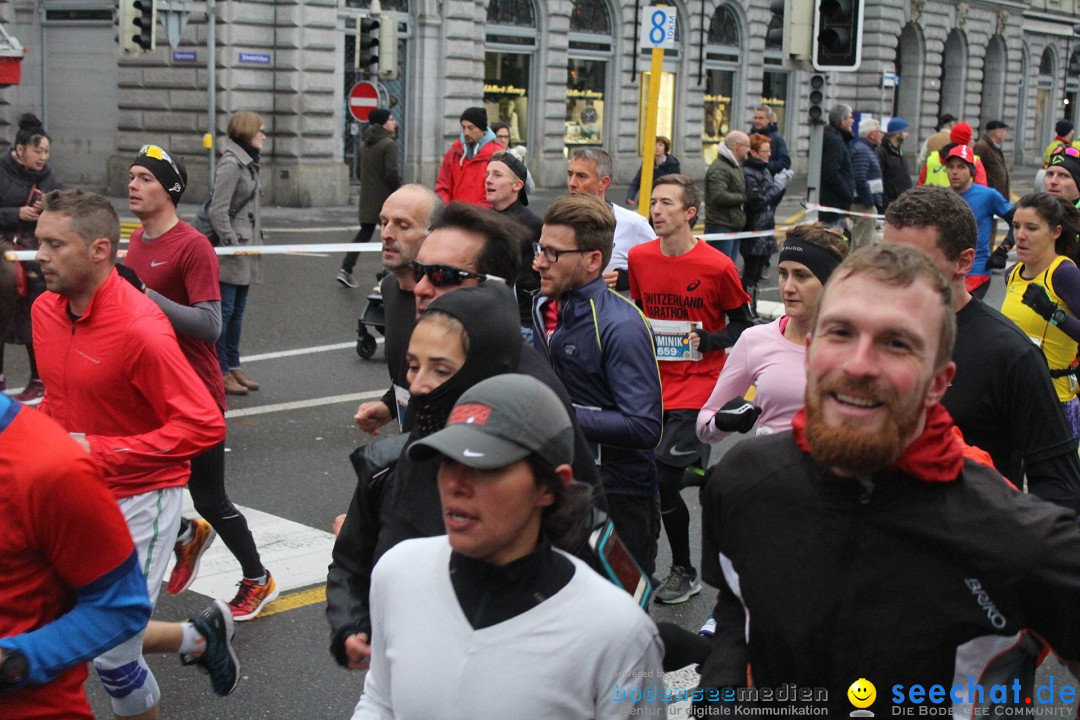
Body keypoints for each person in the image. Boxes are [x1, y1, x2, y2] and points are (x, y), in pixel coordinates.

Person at [697, 243, 1080, 716]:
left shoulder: (1018, 538)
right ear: (812, 351)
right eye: (840, 333)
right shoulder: (742, 480)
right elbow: (738, 613)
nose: (858, 364)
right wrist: (717, 699)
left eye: (897, 343)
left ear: (940, 381)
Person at [351, 374, 664, 719]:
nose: (456, 483)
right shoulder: (397, 572)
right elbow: (380, 700)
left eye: (485, 466)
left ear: (549, 487)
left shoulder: (620, 632)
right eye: (449, 460)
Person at [31, 189, 235, 716]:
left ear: (101, 250)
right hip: (74, 492)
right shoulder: (43, 313)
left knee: (111, 655)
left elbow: (203, 424)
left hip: (139, 497)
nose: (41, 256)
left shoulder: (141, 327)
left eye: (56, 245)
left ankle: (177, 535)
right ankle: (197, 635)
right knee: (45, 615)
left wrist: (99, 451)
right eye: (39, 243)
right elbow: (60, 400)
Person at [122, 143, 276, 620]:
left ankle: (258, 578)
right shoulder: (137, 241)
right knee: (136, 481)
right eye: (131, 177)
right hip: (151, 388)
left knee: (209, 495)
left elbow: (210, 326)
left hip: (194, 391)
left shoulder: (192, 246)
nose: (133, 185)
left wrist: (145, 295)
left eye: (145, 179)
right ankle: (186, 533)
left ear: (169, 190)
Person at [0, 249, 151, 720]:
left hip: (32, 707)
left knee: (123, 667)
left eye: (57, 243)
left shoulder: (46, 467)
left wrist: (18, 660)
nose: (45, 254)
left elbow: (122, 608)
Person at [884, 186, 1080, 511]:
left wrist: (997, 537)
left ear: (964, 262)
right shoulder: (874, 338)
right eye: (887, 258)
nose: (892, 274)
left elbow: (1061, 488)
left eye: (912, 262)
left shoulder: (1010, 354)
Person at [628, 174, 751, 604]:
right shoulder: (640, 258)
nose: (656, 211)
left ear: (690, 213)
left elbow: (742, 326)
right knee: (643, 479)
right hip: (650, 388)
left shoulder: (717, 266)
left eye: (666, 203)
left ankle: (684, 569)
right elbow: (640, 312)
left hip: (700, 389)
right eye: (654, 203)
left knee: (661, 480)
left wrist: (708, 339)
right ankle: (707, 479)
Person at [532, 194, 663, 575]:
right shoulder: (543, 307)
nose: (540, 262)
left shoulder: (621, 326)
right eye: (540, 248)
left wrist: (558, 414)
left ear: (593, 260)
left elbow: (645, 426)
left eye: (553, 254)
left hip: (619, 496)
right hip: (560, 486)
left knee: (622, 616)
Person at [697, 223, 847, 443]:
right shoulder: (755, 340)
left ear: (831, 281)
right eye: (783, 273)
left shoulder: (857, 347)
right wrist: (721, 422)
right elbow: (705, 425)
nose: (787, 287)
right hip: (770, 472)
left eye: (801, 276)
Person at [353, 184, 443, 436]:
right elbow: (408, 376)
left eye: (403, 226)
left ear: (434, 234)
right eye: (384, 222)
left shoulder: (451, 298)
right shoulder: (390, 287)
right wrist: (389, 405)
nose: (386, 234)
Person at [1002, 193, 1080, 435]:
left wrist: (1054, 314)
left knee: (1057, 475)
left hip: (1055, 401)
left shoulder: (1064, 274)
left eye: (1032, 228)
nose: (1021, 236)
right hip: (1015, 397)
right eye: (1016, 226)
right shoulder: (1012, 274)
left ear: (1056, 232)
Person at [0, 113, 61, 402]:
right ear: (20, 150)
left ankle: (39, 377)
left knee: (40, 305)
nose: (43, 157)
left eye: (47, 152)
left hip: (35, 245)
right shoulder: (1, 169)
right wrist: (16, 214)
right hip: (4, 243)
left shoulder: (49, 177)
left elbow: (63, 208)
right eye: (38, 151)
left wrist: (46, 210)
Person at [210, 111, 265, 397]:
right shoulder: (231, 163)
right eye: (260, 131)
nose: (263, 136)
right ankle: (219, 371)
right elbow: (217, 209)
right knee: (226, 313)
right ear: (246, 132)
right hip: (233, 251)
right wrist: (231, 241)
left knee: (238, 313)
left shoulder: (248, 163)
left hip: (246, 249)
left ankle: (233, 365)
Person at [566, 147, 654, 291]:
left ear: (604, 182)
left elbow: (660, 269)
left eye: (582, 176)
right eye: (570, 174)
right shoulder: (559, 222)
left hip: (616, 312)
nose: (572, 183)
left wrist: (627, 279)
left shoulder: (633, 224)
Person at [337, 108, 400, 289]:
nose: (394, 122)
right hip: (386, 201)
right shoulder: (389, 144)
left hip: (367, 199)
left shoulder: (365, 144)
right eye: (390, 119)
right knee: (393, 238)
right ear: (382, 123)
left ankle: (345, 269)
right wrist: (399, 190)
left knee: (363, 235)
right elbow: (392, 172)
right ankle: (386, 275)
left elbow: (358, 171)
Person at [944, 144, 1012, 299]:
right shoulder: (941, 195)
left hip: (976, 271)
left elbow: (1016, 221)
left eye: (961, 167)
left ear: (971, 171)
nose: (954, 172)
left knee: (961, 318)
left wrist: (1003, 249)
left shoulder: (989, 196)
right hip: (946, 270)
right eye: (951, 167)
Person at [485, 151, 542, 331]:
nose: (488, 180)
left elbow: (541, 274)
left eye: (497, 175)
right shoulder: (482, 220)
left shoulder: (533, 224)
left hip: (521, 322)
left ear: (517, 185)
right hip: (486, 313)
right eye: (487, 174)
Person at [740, 133, 791, 297]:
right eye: (765, 151)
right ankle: (746, 310)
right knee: (750, 273)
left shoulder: (765, 170)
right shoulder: (748, 172)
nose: (769, 154)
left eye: (769, 150)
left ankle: (752, 308)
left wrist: (781, 187)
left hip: (766, 227)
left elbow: (772, 201)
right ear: (754, 152)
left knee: (756, 276)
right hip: (755, 228)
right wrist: (777, 186)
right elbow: (757, 202)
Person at [435, 106, 498, 206]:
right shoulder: (453, 153)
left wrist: (476, 215)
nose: (466, 132)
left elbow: (498, 193)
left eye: (471, 128)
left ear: (482, 129)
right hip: (455, 216)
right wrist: (446, 208)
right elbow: (443, 187)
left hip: (484, 218)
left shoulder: (497, 154)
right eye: (463, 127)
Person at [703, 130, 749, 262]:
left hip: (731, 224)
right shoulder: (720, 168)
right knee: (720, 269)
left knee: (729, 268)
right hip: (720, 226)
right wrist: (744, 197)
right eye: (747, 146)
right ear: (738, 146)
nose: (749, 150)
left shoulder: (733, 165)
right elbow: (718, 196)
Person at [849, 117, 885, 249]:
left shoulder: (867, 150)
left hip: (865, 203)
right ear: (871, 134)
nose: (882, 134)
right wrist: (869, 202)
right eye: (879, 131)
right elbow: (859, 178)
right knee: (863, 245)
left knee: (859, 242)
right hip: (863, 205)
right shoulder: (862, 151)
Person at [920, 122, 989, 187]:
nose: (974, 142)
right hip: (962, 199)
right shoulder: (974, 161)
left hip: (933, 199)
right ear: (967, 141)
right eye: (972, 139)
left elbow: (920, 185)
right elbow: (982, 190)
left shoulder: (932, 158)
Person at [819, 104, 855, 227]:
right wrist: (847, 194)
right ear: (842, 120)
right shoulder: (835, 140)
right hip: (833, 204)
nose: (853, 120)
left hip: (833, 203)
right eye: (850, 117)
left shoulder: (834, 137)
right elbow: (831, 172)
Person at [625, 135, 680, 207]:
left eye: (660, 145)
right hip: (648, 200)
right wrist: (630, 196)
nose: (657, 147)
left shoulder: (672, 164)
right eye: (654, 145)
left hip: (664, 202)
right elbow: (636, 182)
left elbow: (677, 185)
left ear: (665, 148)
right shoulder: (647, 162)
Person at [877, 116, 913, 208]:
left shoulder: (899, 151)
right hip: (889, 203)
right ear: (897, 133)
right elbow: (880, 178)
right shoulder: (882, 151)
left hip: (902, 202)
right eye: (905, 131)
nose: (907, 134)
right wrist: (885, 201)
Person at [490, 121, 535, 192]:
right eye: (499, 137)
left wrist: (520, 164)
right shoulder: (487, 155)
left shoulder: (514, 155)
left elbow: (530, 187)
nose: (503, 140)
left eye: (506, 137)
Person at [748, 104, 791, 176]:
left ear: (769, 119)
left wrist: (764, 167)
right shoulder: (750, 136)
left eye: (760, 118)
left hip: (771, 181)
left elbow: (785, 162)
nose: (757, 121)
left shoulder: (777, 138)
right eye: (755, 118)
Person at [974, 120, 1011, 200]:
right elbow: (975, 169)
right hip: (990, 194)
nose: (1005, 134)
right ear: (996, 132)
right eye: (1004, 131)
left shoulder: (995, 147)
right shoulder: (981, 146)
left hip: (998, 194)